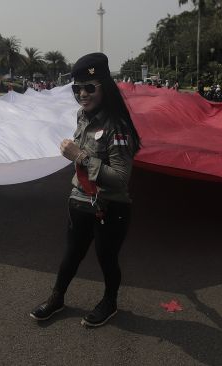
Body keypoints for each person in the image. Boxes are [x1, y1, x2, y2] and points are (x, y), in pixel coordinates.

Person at [29, 52, 141, 328]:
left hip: (110, 206)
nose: (82, 94)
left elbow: (120, 177)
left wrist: (80, 156)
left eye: (89, 87)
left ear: (105, 86)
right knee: (71, 254)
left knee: (106, 259)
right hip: (79, 200)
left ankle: (110, 302)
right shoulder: (82, 116)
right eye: (77, 88)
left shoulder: (118, 127)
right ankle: (57, 298)